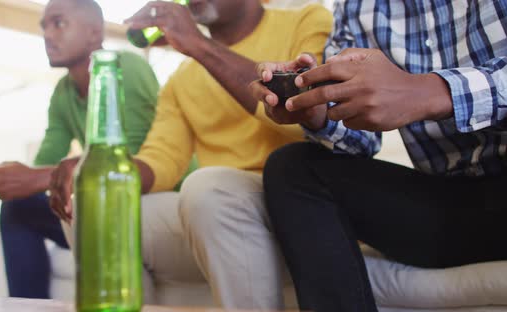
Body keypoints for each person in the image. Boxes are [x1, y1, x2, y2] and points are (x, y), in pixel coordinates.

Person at [49, 0, 332, 309]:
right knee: (91, 207)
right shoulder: (181, 80)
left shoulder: (307, 19)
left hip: (293, 201)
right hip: (214, 218)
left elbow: (309, 112)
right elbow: (162, 160)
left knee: (208, 189)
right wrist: (97, 171)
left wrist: (198, 45)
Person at [249, 0, 507, 311]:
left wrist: (432, 91)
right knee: (292, 168)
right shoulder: (356, 9)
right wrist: (318, 111)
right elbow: (359, 143)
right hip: (448, 211)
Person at [0, 0, 159, 299]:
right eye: (44, 26)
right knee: (18, 207)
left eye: (59, 23)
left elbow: (133, 163)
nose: (47, 34)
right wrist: (2, 175)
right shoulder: (62, 94)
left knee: (25, 205)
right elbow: (44, 166)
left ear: (93, 32)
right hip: (97, 199)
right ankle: (25, 307)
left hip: (146, 193)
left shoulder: (126, 68)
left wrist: (35, 178)